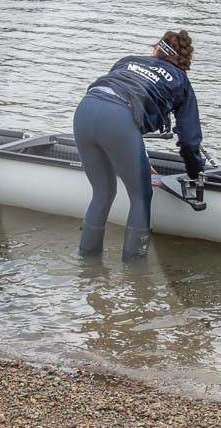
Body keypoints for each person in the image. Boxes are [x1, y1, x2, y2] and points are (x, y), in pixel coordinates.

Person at [73, 30, 205, 261]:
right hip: (118, 121)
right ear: (183, 62)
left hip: (85, 109)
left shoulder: (127, 61)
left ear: (156, 49)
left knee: (103, 192)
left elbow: (117, 102)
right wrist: (195, 173)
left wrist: (135, 156)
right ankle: (135, 275)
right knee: (141, 196)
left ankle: (87, 265)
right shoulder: (181, 81)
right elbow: (189, 140)